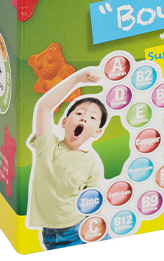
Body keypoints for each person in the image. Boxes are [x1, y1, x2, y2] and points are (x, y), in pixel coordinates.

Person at [25, 67, 108, 250]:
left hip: (81, 228)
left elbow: (94, 204)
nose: (84, 118)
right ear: (64, 122)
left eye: (92, 117)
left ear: (97, 132)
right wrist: (77, 78)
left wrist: (96, 231)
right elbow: (44, 107)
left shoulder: (91, 162)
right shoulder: (47, 145)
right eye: (79, 113)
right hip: (53, 236)